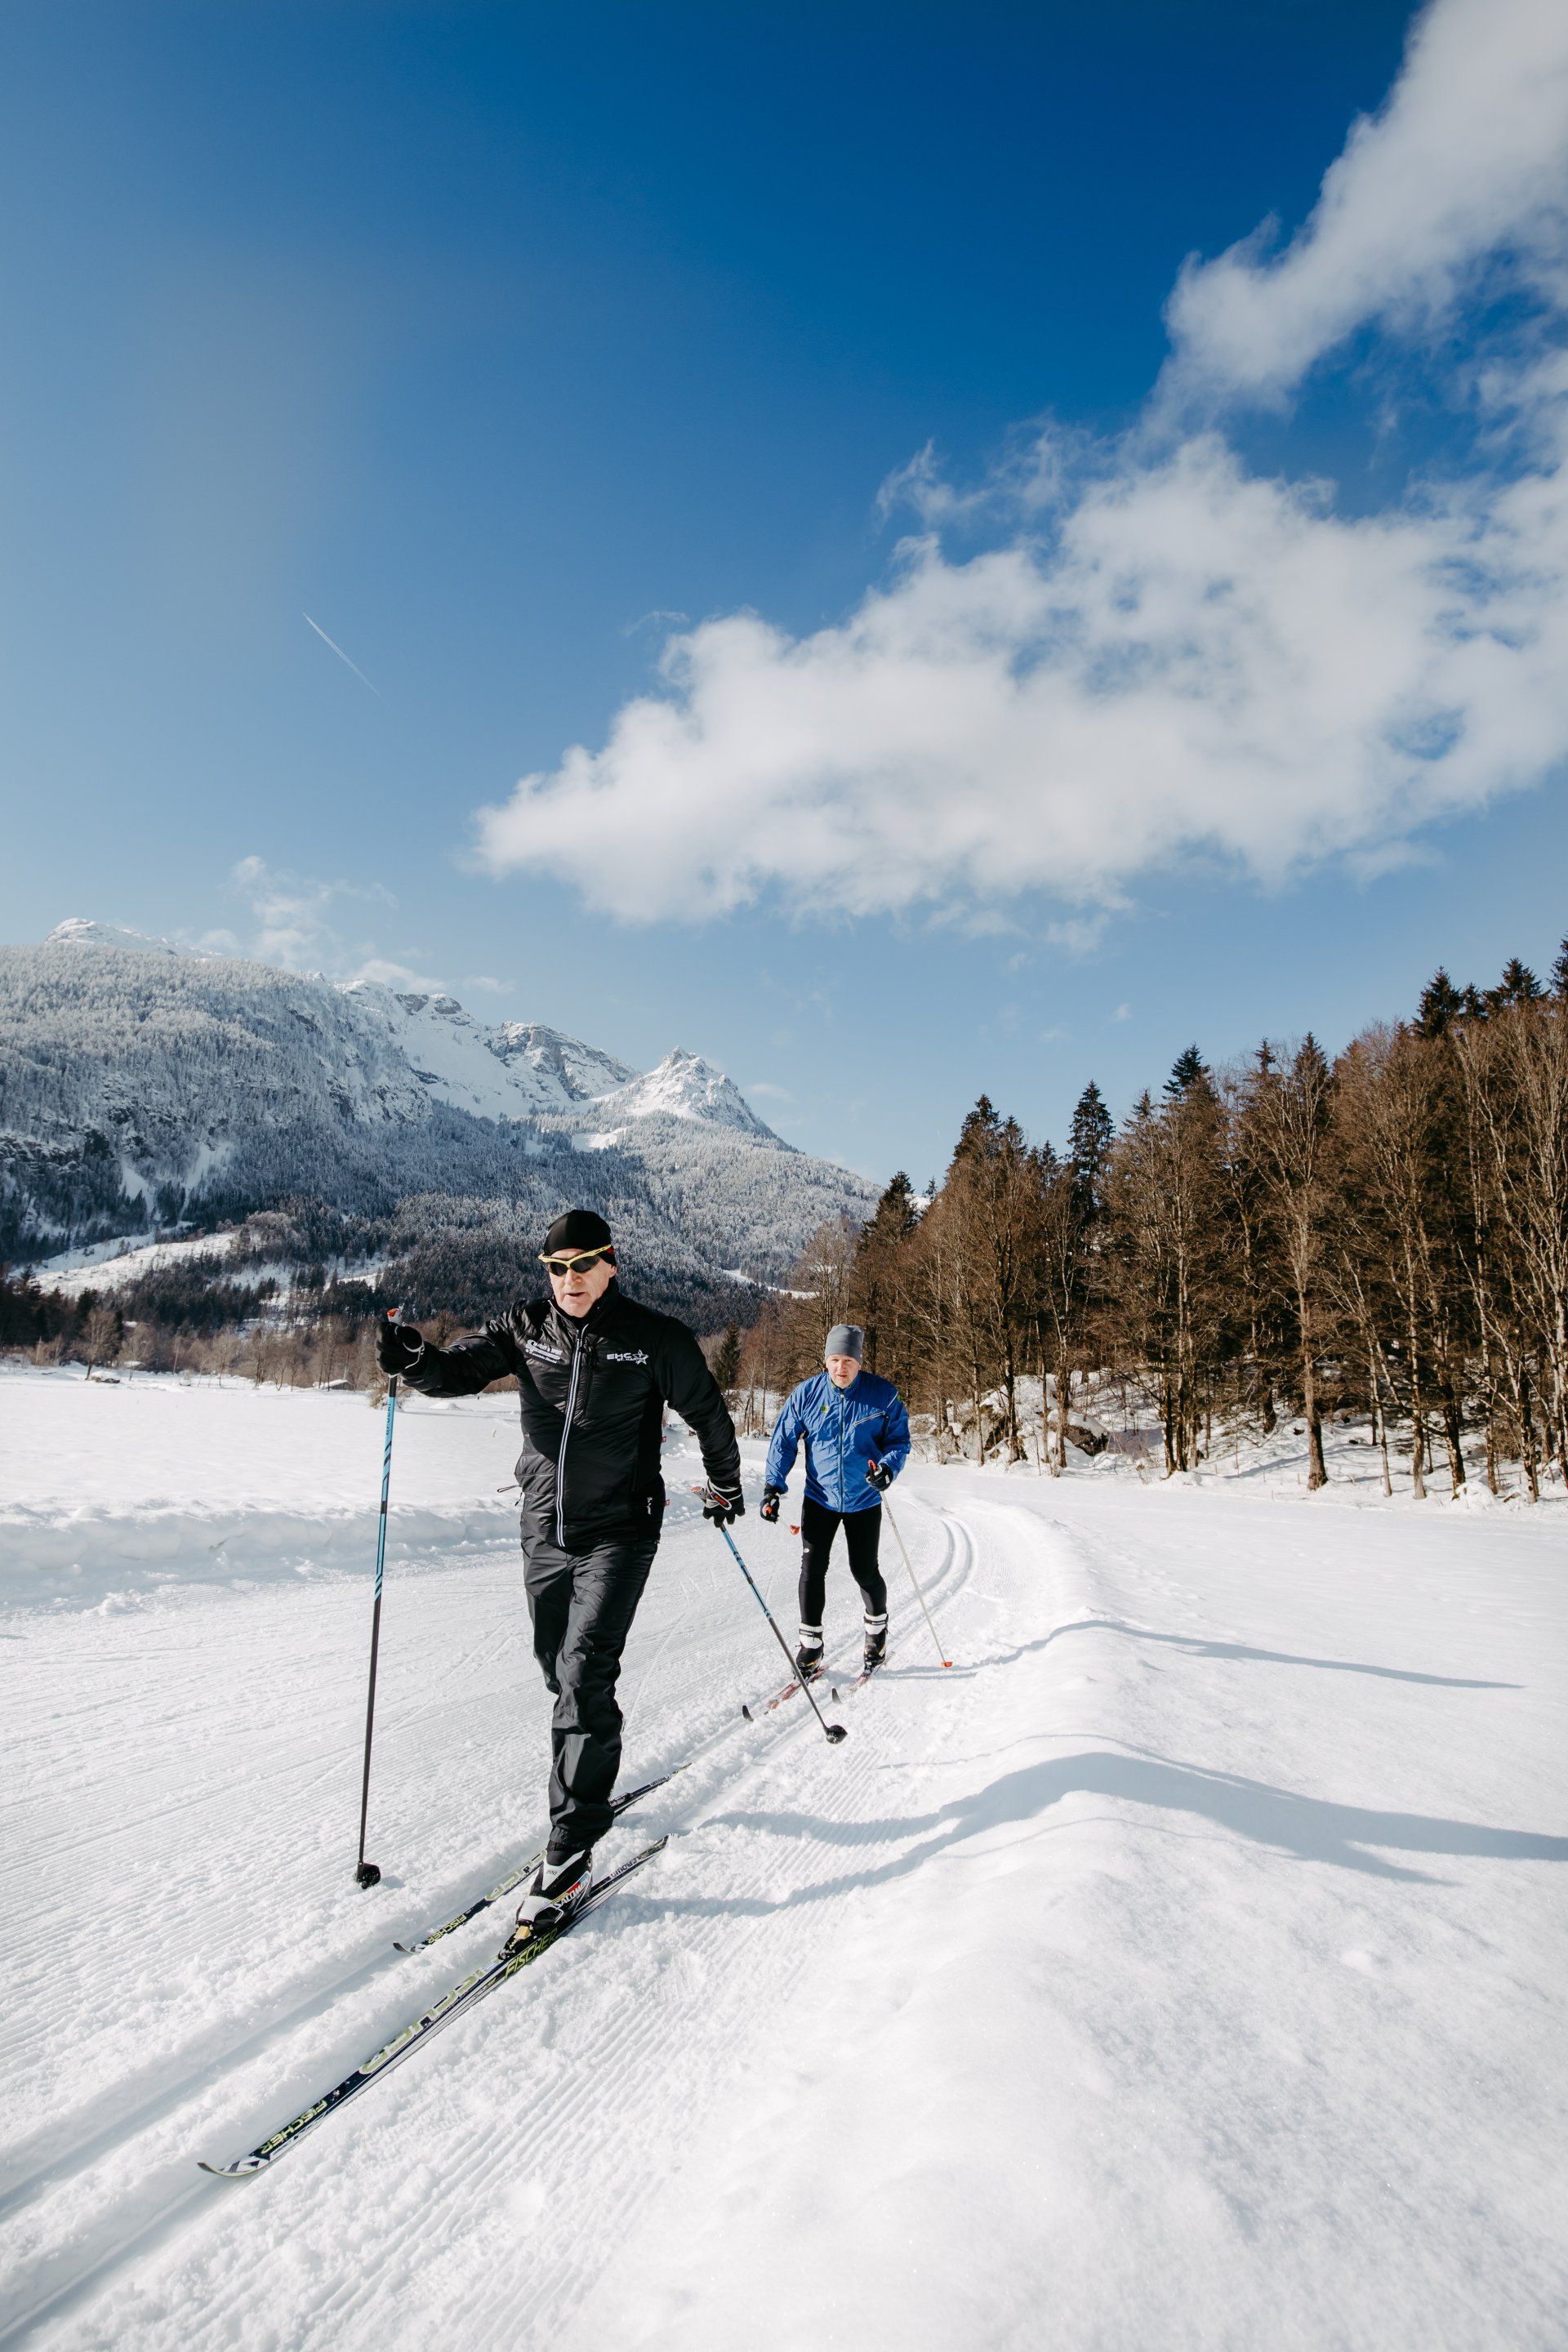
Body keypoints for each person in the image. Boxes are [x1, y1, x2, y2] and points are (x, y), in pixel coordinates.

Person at [377, 1209, 743, 1940]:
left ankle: (569, 1849)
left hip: (620, 1531)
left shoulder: (655, 1337)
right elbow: (456, 1372)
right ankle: (589, 1773)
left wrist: (726, 1485)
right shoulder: (523, 1326)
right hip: (543, 1528)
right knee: (556, 1668)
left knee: (583, 1674)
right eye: (555, 1267)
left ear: (611, 1264)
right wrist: (414, 1358)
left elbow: (708, 1414)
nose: (569, 1280)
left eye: (583, 1265)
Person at [760, 1323, 911, 1679]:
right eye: (835, 1359)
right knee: (812, 1570)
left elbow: (899, 1441)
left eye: (848, 1360)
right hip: (819, 1499)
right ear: (826, 1360)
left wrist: (887, 1470)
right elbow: (783, 1441)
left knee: (864, 1570)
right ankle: (811, 1646)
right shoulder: (806, 1395)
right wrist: (772, 1486)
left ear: (860, 1361)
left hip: (863, 1499)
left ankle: (877, 1635)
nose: (841, 1367)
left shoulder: (882, 1395)